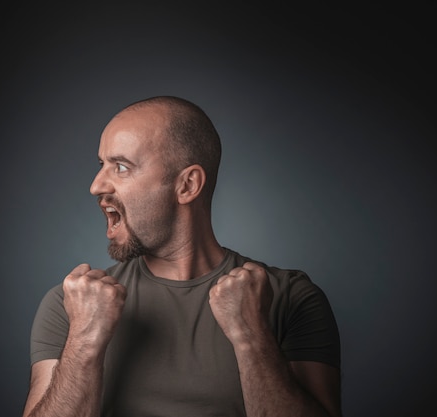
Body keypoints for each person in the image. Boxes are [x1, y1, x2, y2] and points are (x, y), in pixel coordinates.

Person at [22, 96, 342, 417]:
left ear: (187, 185)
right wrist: (85, 340)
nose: (96, 185)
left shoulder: (291, 297)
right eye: (101, 165)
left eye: (121, 167)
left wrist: (251, 338)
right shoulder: (72, 305)